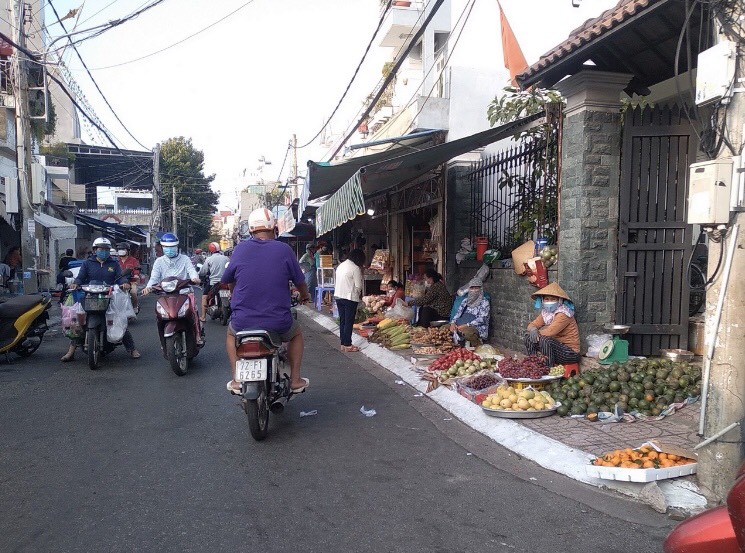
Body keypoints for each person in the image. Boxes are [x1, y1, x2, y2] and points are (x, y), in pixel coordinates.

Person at [222, 208, 311, 395]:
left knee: (231, 335)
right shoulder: (284, 249)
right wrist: (305, 296)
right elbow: (300, 282)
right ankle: (295, 380)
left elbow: (228, 279)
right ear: (273, 227)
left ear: (251, 229)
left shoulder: (239, 249)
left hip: (243, 322)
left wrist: (233, 293)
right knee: (296, 334)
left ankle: (237, 380)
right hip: (278, 322)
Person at [61, 237, 140, 361]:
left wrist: (125, 283)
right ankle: (71, 351)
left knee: (119, 320)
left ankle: (132, 349)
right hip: (90, 295)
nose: (104, 251)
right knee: (78, 323)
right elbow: (80, 277)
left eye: (106, 249)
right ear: (95, 250)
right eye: (101, 249)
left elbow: (120, 277)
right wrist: (75, 283)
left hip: (109, 295)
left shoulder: (114, 264)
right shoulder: (87, 263)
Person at [142, 233, 203, 344]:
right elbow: (154, 277)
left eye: (172, 247)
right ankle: (162, 340)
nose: (169, 249)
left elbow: (192, 271)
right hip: (165, 294)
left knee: (193, 311)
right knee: (159, 316)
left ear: (176, 247)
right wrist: (148, 287)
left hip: (184, 292)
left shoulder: (185, 259)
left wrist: (195, 278)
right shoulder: (159, 262)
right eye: (166, 247)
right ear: (162, 247)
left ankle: (198, 335)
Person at [525, 282, 581, 366]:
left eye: (553, 299)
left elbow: (551, 332)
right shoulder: (546, 313)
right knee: (528, 337)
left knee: (544, 340)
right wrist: (533, 329)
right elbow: (532, 324)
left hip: (570, 353)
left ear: (559, 300)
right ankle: (534, 364)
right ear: (543, 300)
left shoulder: (564, 313)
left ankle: (548, 370)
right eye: (547, 299)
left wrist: (536, 332)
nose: (549, 301)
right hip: (557, 348)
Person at [334, 248, 365, 352]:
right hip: (349, 297)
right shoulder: (355, 268)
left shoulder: (341, 265)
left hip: (338, 296)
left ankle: (343, 343)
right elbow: (358, 286)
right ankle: (348, 344)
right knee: (349, 321)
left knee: (343, 320)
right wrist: (359, 296)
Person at [450, 278, 490, 347]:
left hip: (477, 327)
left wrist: (466, 325)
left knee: (467, 333)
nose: (474, 290)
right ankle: (453, 347)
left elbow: (482, 319)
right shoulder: (465, 301)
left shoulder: (484, 302)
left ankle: (478, 346)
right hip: (460, 324)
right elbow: (458, 314)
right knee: (444, 328)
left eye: (476, 288)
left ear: (481, 289)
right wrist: (453, 323)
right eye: (472, 288)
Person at [199, 242, 229, 324]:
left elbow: (203, 272)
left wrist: (200, 276)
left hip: (213, 282)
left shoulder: (209, 259)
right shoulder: (226, 258)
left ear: (211, 250)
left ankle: (203, 317)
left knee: (204, 297)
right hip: (225, 282)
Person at [116, 242, 141, 314]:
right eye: (119, 249)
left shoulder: (133, 260)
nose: (121, 250)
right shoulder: (115, 261)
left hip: (131, 281)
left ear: (127, 250)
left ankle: (135, 306)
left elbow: (137, 269)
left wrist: (136, 275)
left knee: (133, 292)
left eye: (123, 249)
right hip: (118, 281)